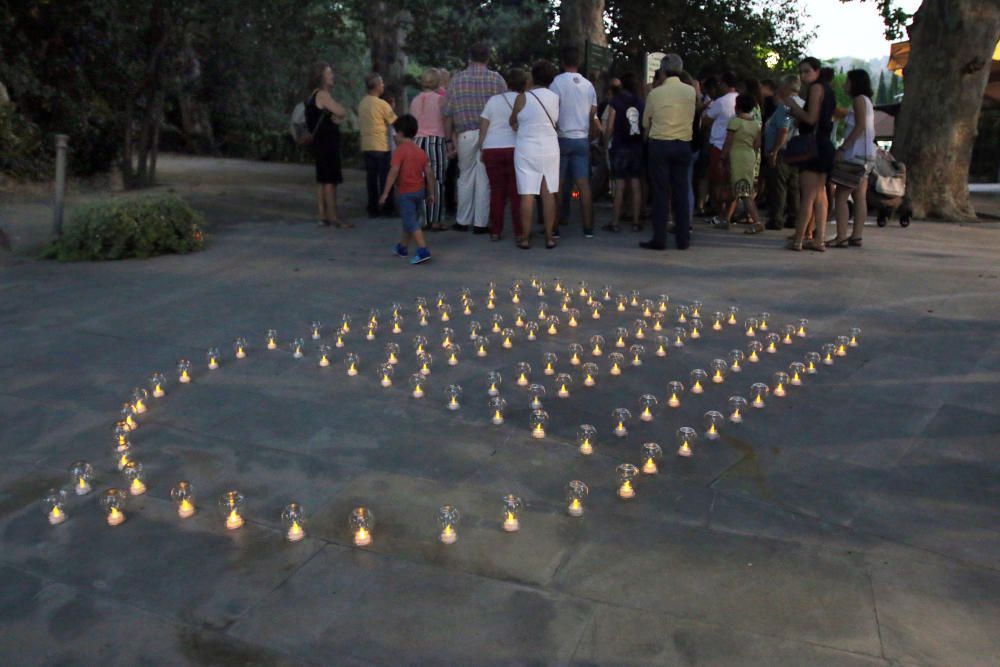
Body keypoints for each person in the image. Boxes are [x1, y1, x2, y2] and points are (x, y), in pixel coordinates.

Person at [442, 43, 506, 233]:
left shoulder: (457, 80)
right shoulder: (497, 80)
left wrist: (448, 140)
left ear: (470, 57)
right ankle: (481, 223)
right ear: (488, 58)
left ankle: (462, 220)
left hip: (465, 134)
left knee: (465, 176)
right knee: (484, 177)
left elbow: (447, 113)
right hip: (491, 134)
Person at [640, 54, 696, 251]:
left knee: (660, 194)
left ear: (662, 70)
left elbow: (645, 122)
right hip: (683, 145)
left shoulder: (655, 94)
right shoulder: (690, 92)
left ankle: (660, 238)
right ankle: (683, 239)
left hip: (660, 144)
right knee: (681, 192)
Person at [784, 57, 836, 251]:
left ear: (817, 71)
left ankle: (799, 238)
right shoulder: (828, 90)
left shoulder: (816, 89)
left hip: (812, 146)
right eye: (801, 72)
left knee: (808, 195)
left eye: (807, 71)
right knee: (820, 195)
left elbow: (811, 118)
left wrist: (793, 105)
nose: (803, 76)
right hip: (824, 144)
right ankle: (818, 239)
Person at [509, 60, 560, 249]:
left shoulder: (522, 98)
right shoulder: (555, 98)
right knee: (548, 192)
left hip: (526, 148)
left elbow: (512, 120)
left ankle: (524, 237)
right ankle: (549, 237)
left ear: (533, 76)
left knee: (527, 193)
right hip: (550, 147)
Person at [550, 46, 598, 238]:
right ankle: (588, 228)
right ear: (579, 63)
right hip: (582, 138)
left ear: (562, 63)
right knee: (584, 185)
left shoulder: (557, 83)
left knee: (559, 184)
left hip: (562, 137)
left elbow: (553, 108)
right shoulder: (588, 85)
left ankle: (555, 227)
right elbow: (593, 112)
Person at [828, 69, 876, 247]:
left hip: (855, 155)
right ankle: (856, 235)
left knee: (841, 195)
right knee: (859, 195)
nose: (844, 85)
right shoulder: (866, 101)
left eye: (847, 81)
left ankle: (841, 236)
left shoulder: (858, 100)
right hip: (867, 155)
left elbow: (860, 126)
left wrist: (843, 147)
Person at [380, 115, 435, 265]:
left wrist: (385, 192)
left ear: (401, 133)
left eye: (395, 133)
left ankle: (423, 249)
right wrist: (431, 193)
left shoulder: (399, 151)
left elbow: (393, 171)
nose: (394, 136)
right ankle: (402, 247)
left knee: (410, 221)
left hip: (406, 193)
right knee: (409, 220)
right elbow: (429, 173)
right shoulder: (420, 151)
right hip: (420, 191)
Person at [477, 68, 525, 242]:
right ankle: (520, 231)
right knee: (515, 193)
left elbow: (484, 127)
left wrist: (482, 148)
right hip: (515, 148)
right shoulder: (524, 100)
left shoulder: (493, 101)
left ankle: (496, 230)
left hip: (492, 148)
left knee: (496, 191)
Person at [304, 62, 350, 228]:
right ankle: (333, 216)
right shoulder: (323, 95)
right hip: (327, 143)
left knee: (322, 179)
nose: (332, 76)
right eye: (329, 73)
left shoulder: (312, 96)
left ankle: (323, 214)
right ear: (322, 76)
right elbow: (341, 111)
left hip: (319, 143)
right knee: (330, 179)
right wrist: (337, 115)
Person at [603, 72, 644, 232]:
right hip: (636, 146)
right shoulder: (641, 102)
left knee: (619, 186)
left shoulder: (616, 101)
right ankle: (635, 221)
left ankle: (615, 222)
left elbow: (610, 126)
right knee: (635, 185)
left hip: (620, 146)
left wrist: (606, 142)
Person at [764, 74, 802, 230]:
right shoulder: (803, 103)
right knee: (794, 186)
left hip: (783, 151)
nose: (778, 89)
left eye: (781, 85)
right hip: (798, 151)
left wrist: (774, 150)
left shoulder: (785, 105)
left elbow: (783, 129)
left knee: (778, 186)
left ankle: (776, 218)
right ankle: (794, 216)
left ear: (787, 87)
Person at [411, 69, 448, 231]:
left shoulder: (414, 100)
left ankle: (424, 217)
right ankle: (436, 219)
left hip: (418, 141)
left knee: (421, 180)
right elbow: (445, 121)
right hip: (435, 141)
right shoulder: (441, 100)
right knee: (438, 180)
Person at [722, 94, 764, 233]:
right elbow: (757, 144)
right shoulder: (756, 124)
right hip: (749, 155)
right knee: (738, 187)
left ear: (737, 107)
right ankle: (726, 219)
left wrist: (723, 157)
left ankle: (757, 221)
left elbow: (728, 142)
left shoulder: (735, 122)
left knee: (743, 191)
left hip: (737, 155)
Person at [358, 73, 397, 218]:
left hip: (367, 145)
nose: (383, 86)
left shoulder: (362, 103)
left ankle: (373, 208)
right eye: (381, 83)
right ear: (375, 86)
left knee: (371, 179)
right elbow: (395, 122)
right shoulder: (382, 104)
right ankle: (387, 207)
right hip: (381, 145)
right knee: (386, 179)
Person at [703, 72, 739, 225]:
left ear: (724, 84)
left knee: (717, 181)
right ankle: (729, 215)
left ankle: (721, 213)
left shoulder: (721, 102)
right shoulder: (741, 99)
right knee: (732, 182)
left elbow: (706, 120)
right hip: (738, 146)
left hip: (719, 144)